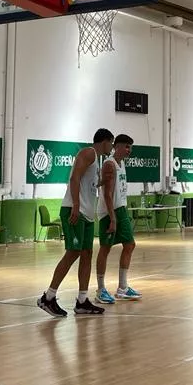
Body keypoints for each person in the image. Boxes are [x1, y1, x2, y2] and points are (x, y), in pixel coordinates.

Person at [37, 129, 113, 317]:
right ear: (104, 141)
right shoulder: (88, 153)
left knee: (86, 253)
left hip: (86, 214)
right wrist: (76, 205)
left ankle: (82, 301)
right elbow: (74, 177)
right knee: (73, 252)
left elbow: (88, 184)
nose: (111, 147)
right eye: (111, 143)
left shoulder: (97, 160)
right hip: (75, 210)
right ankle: (48, 297)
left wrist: (102, 182)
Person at [94, 134, 141, 304]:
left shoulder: (122, 164)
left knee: (130, 244)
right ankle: (100, 289)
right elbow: (106, 194)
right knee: (105, 249)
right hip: (109, 212)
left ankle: (122, 287)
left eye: (130, 147)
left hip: (121, 209)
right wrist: (112, 219)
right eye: (126, 146)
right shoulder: (110, 164)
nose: (129, 150)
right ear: (117, 146)